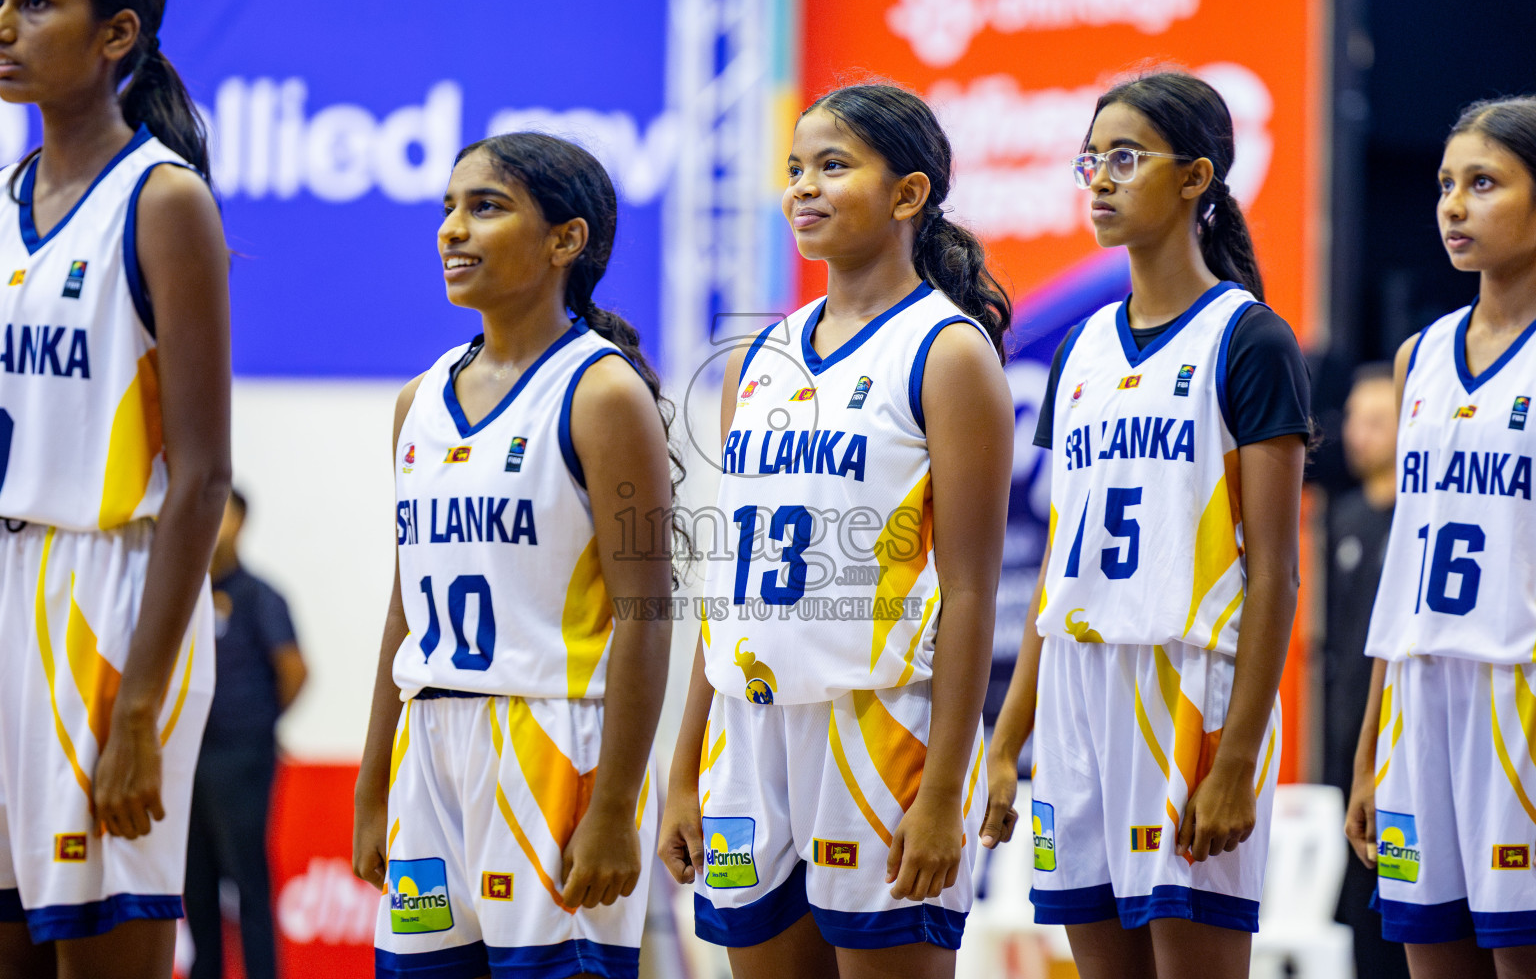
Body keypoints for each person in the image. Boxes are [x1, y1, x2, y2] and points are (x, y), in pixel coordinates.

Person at [658, 82, 1014, 979]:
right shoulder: (758, 360)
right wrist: (682, 763)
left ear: (908, 194)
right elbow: (725, 583)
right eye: (794, 168)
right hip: (746, 732)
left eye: (833, 165)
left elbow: (972, 590)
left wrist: (944, 792)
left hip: (879, 726)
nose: (804, 187)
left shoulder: (948, 350)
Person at [983, 71, 1310, 979]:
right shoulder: (1082, 347)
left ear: (1197, 177)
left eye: (1126, 158)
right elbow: (1059, 574)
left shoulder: (1248, 340)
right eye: (1092, 159)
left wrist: (1238, 757)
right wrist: (1007, 745)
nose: (1099, 178)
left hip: (1188, 691)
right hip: (1079, 697)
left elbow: (1276, 571)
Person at [351, 133, 675, 979]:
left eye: (485, 207)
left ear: (566, 240)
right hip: (430, 739)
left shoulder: (604, 393)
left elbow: (648, 614)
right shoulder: (416, 401)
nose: (453, 230)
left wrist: (613, 807)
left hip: (553, 740)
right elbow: (402, 607)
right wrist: (374, 778)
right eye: (449, 208)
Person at [0, 0, 230, 976]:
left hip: (108, 603)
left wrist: (137, 707)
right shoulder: (5, 195)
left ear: (117, 35)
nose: (4, 24)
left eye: (34, 3)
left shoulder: (162, 201)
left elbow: (205, 475)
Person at [1346, 96, 1536, 977]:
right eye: (1445, 185)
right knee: (1431, 955)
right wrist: (1367, 748)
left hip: (1519, 695)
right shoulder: (1418, 356)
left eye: (1485, 184)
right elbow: (1405, 570)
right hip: (1420, 696)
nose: (1453, 206)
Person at [184, 490, 307, 979]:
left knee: (247, 878)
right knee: (196, 881)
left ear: (241, 522)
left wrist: (257, 724)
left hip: (241, 756)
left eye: (224, 515)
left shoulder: (260, 596)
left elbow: (295, 671)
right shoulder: (183, 595)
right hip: (188, 756)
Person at [1322, 365, 1410, 979]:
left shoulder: (1417, 519)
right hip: (1347, 741)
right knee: (1359, 919)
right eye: (1354, 418)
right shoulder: (1343, 518)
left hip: (1402, 740)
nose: (1357, 434)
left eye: (1376, 422)